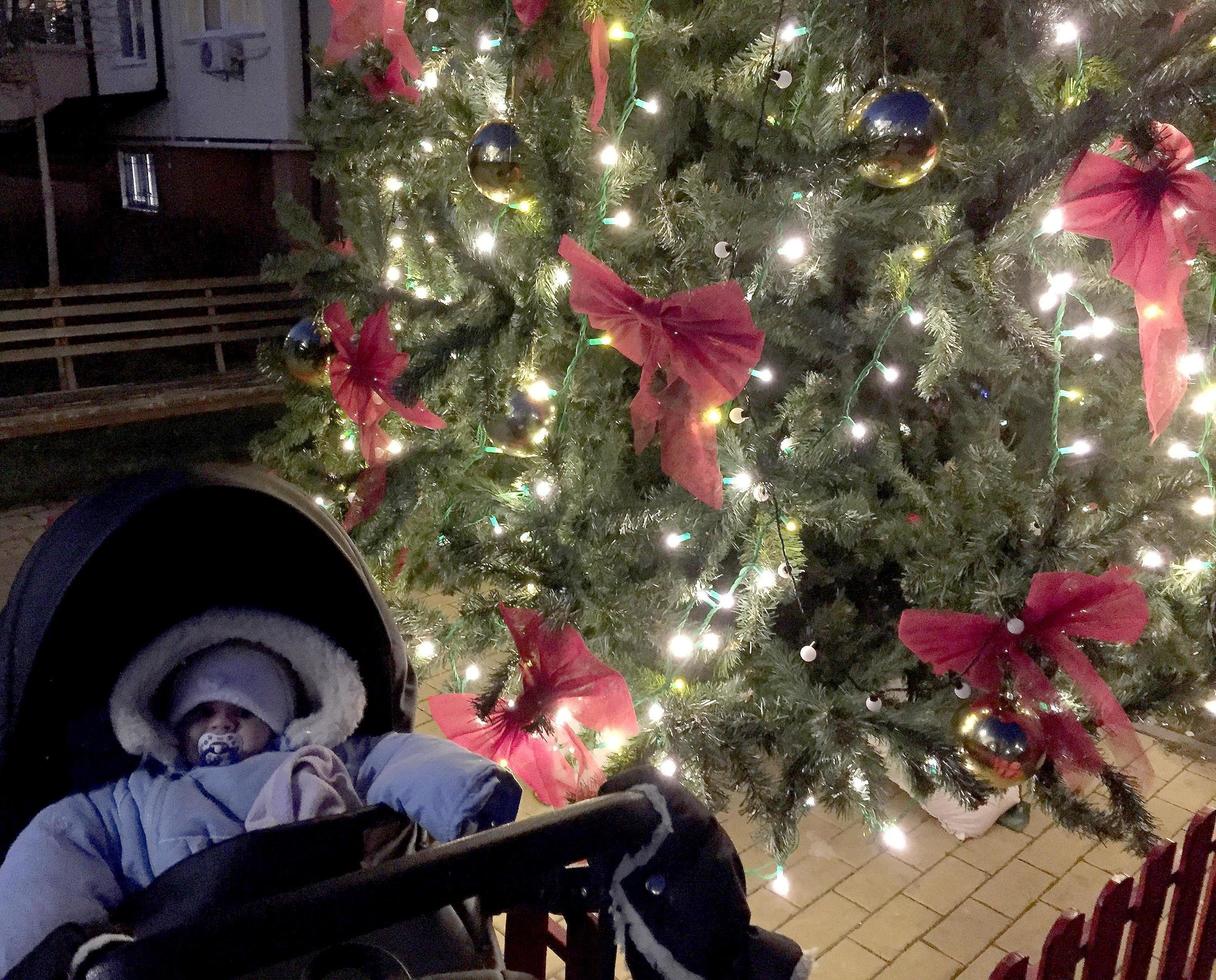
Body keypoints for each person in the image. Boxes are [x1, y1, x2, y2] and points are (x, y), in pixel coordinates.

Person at [0, 608, 522, 976]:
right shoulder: (133, 798)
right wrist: (36, 954)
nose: (221, 724)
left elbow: (395, 757)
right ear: (174, 726)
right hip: (196, 946)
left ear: (277, 722)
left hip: (344, 932)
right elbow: (62, 844)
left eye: (243, 712)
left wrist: (466, 791)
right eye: (202, 712)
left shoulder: (314, 760)